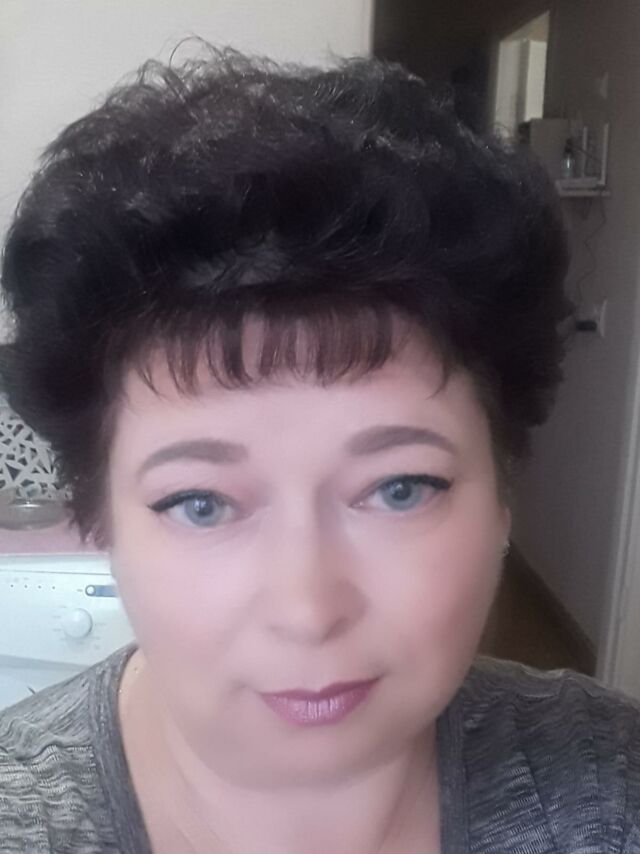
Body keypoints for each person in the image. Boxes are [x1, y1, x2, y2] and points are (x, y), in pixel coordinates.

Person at [0, 47, 637, 854]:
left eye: (400, 488)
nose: (306, 611)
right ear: (101, 523)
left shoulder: (610, 788)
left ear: (502, 499)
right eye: (202, 503)